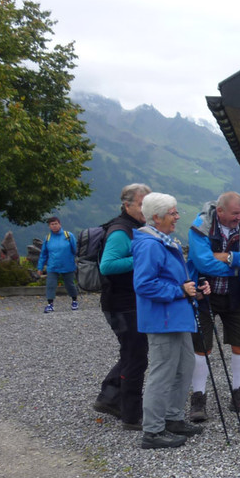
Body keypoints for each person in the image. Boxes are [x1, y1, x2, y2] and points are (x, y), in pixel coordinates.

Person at [132, 192, 210, 450]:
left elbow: (173, 280)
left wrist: (194, 290)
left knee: (184, 368)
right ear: (157, 217)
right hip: (163, 320)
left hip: (177, 318)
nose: (177, 217)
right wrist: (180, 291)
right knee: (163, 373)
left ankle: (173, 418)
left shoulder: (164, 241)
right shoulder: (150, 245)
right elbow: (144, 285)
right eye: (173, 213)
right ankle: (152, 431)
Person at [187, 191, 240, 419]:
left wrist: (228, 257)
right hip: (204, 292)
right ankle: (198, 399)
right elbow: (203, 263)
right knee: (202, 346)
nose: (239, 217)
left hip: (235, 292)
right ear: (220, 211)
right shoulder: (200, 225)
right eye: (235, 213)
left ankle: (239, 395)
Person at [92, 183, 152, 429]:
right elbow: (107, 266)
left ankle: (108, 398)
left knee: (131, 353)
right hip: (121, 303)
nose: (146, 209)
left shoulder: (135, 227)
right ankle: (131, 413)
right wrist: (141, 256)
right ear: (127, 205)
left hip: (127, 301)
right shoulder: (120, 231)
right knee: (136, 356)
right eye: (142, 204)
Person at [37, 216, 78, 313]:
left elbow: (75, 250)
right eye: (52, 224)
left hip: (67, 265)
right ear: (49, 226)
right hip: (53, 266)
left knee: (70, 284)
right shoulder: (48, 238)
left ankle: (74, 301)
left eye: (56, 224)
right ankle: (50, 304)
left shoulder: (68, 236)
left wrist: (77, 261)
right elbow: (43, 254)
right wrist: (40, 267)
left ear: (60, 224)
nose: (54, 226)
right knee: (50, 285)